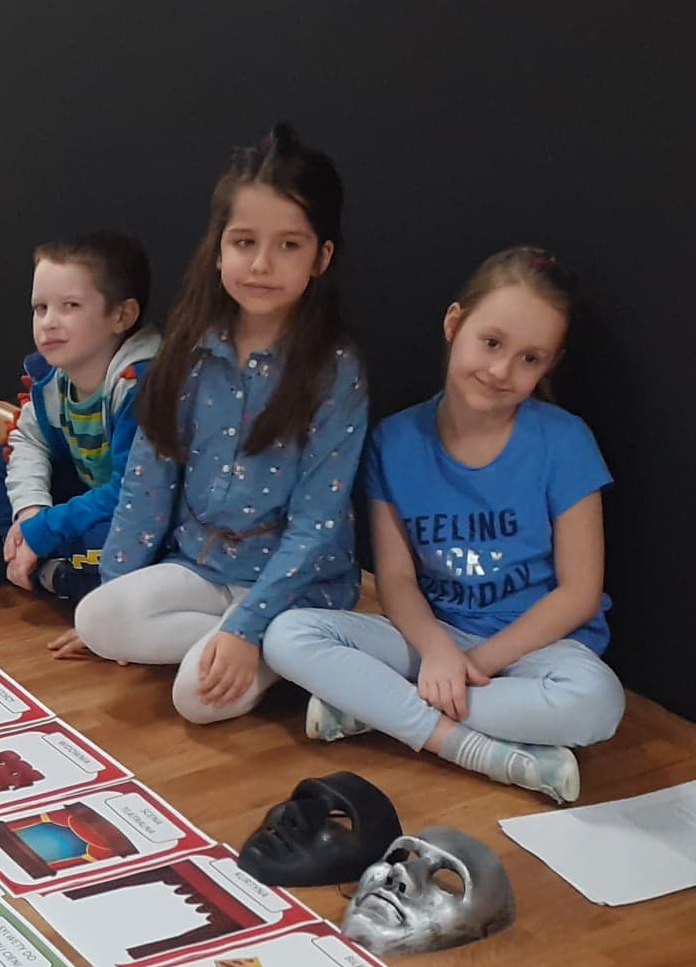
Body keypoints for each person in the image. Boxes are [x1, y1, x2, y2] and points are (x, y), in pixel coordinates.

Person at [264, 247, 623, 803]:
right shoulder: (395, 440)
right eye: (492, 342)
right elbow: (395, 579)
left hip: (534, 650)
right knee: (288, 635)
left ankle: (376, 709)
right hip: (433, 635)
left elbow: (579, 593)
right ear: (455, 323)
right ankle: (465, 745)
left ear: (550, 365)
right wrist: (437, 653)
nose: (501, 371)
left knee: (598, 702)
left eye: (529, 359)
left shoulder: (564, 441)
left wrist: (471, 666)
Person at [74, 125, 367, 722]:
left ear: (321, 257)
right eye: (244, 242)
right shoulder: (187, 350)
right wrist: (116, 595)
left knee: (195, 699)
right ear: (218, 249)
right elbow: (147, 481)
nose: (261, 264)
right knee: (94, 617)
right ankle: (258, 649)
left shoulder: (335, 372)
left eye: (289, 245)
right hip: (202, 570)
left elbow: (318, 522)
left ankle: (279, 647)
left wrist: (248, 627)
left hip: (294, 587)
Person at [0, 234, 162, 634]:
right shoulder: (52, 378)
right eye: (40, 307)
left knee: (113, 540)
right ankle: (35, 557)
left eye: (70, 306)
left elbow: (133, 491)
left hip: (138, 511)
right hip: (88, 496)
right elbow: (27, 442)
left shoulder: (142, 386)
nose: (48, 322)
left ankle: (41, 564)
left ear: (122, 316)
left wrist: (48, 528)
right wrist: (31, 513)